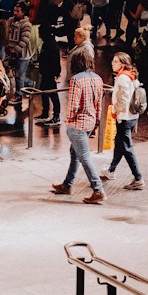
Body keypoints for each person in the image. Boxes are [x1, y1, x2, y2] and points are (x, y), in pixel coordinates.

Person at [51, 43, 105, 202]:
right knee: (75, 153)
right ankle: (67, 184)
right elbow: (98, 104)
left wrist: (69, 121)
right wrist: (96, 122)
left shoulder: (76, 80)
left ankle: (98, 189)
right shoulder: (98, 78)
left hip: (78, 124)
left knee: (84, 156)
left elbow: (72, 104)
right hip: (90, 121)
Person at [99, 51, 144, 189]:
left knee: (126, 147)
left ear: (123, 64)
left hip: (124, 117)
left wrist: (115, 110)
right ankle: (111, 171)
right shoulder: (131, 76)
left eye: (115, 61)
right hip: (131, 116)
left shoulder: (123, 78)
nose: (112, 63)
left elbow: (123, 100)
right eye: (113, 61)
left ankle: (138, 178)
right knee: (119, 144)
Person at [5, 0, 32, 104]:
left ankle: (19, 96)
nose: (15, 13)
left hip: (23, 55)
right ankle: (30, 84)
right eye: (14, 10)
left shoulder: (26, 24)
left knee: (20, 76)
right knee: (17, 75)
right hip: (12, 54)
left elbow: (25, 40)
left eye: (18, 11)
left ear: (23, 12)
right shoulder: (10, 21)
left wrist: (15, 50)